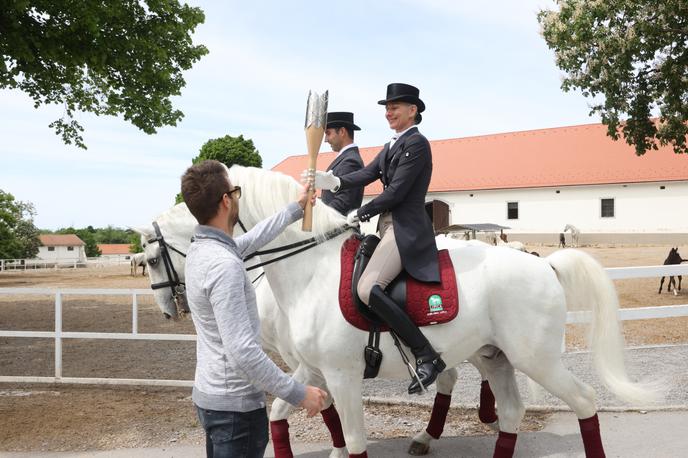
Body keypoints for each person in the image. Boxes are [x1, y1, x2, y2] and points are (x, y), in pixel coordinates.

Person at [181, 160, 327, 458]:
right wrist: (299, 393)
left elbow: (251, 239)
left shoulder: (201, 250)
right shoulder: (224, 265)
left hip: (212, 399)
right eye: (235, 192)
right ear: (226, 200)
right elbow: (243, 351)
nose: (237, 198)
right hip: (236, 411)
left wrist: (295, 208)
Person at [310, 83, 445, 395]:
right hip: (387, 227)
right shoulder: (392, 145)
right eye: (387, 107)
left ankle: (426, 355)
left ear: (413, 110)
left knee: (368, 288)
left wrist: (363, 211)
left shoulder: (417, 144)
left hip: (406, 228)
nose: (389, 112)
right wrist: (334, 180)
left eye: (395, 106)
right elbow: (367, 174)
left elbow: (396, 191)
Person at [321, 112, 365, 215]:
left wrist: (320, 216)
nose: (325, 140)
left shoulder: (351, 161)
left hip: (341, 228)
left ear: (342, 131)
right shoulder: (346, 158)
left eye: (328, 133)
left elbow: (344, 201)